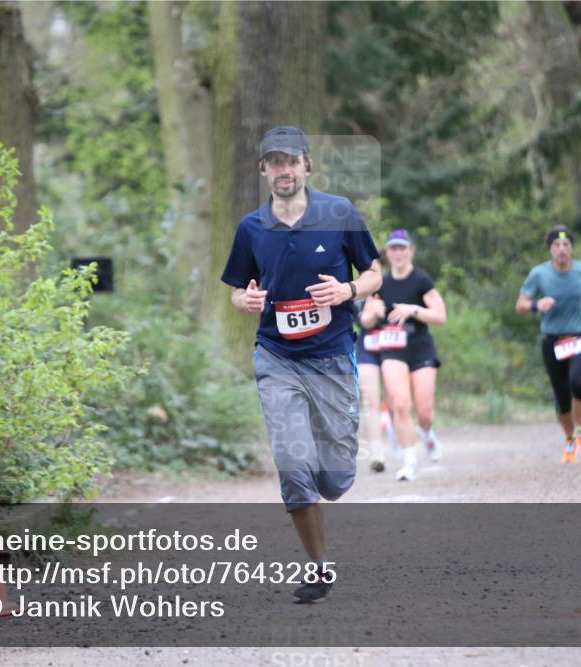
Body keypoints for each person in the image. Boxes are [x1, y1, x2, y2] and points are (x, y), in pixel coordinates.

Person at [221, 126, 381, 603]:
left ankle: (332, 475)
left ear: (307, 165)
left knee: (333, 478)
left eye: (292, 161)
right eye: (275, 162)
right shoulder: (251, 227)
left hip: (331, 357)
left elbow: (374, 273)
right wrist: (243, 301)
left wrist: (347, 290)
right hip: (277, 356)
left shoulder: (339, 212)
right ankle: (318, 566)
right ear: (263, 169)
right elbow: (235, 289)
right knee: (293, 464)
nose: (284, 170)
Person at [516, 226, 581, 464]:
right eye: (557, 245)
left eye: (566, 245)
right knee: (562, 395)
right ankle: (569, 439)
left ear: (572, 248)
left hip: (579, 336)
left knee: (578, 382)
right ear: (550, 249)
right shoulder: (539, 274)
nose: (562, 249)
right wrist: (537, 305)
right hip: (552, 340)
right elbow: (521, 304)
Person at [364, 229, 446, 481]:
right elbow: (366, 321)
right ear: (388, 253)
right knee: (399, 405)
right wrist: (373, 313)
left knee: (424, 412)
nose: (398, 252)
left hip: (420, 348)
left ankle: (427, 433)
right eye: (393, 248)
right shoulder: (381, 284)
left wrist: (413, 309)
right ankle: (409, 461)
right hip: (392, 350)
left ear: (411, 250)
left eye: (403, 247)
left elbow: (440, 316)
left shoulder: (421, 280)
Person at [354, 297, 398, 473]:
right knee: (370, 400)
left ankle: (399, 441)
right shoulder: (359, 294)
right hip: (367, 347)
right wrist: (372, 314)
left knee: (394, 399)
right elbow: (362, 321)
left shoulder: (394, 289)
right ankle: (376, 454)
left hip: (394, 345)